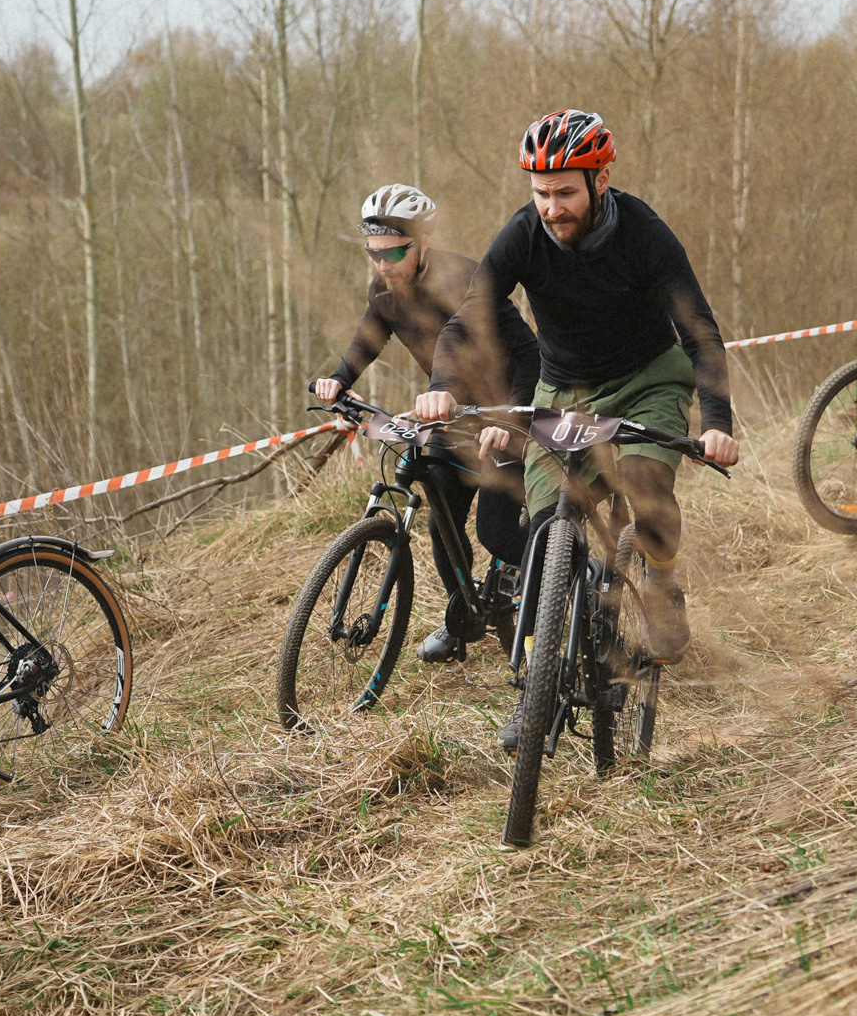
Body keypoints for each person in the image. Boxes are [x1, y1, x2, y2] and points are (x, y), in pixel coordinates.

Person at [414, 110, 739, 749]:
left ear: (601, 179)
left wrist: (718, 424)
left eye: (566, 191)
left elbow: (699, 331)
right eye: (541, 192)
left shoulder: (645, 235)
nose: (553, 207)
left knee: (646, 485)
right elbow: (466, 322)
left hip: (647, 378)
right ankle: (536, 687)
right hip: (562, 391)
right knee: (543, 531)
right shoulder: (521, 237)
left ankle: (664, 581)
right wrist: (440, 389)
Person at [310, 184, 540, 663]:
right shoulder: (384, 290)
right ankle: (462, 617)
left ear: (423, 242)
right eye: (373, 253)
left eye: (393, 251)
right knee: (441, 520)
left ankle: (564, 588)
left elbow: (529, 352)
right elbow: (367, 339)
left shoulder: (467, 280)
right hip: (449, 419)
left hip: (503, 415)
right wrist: (338, 379)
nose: (382, 264)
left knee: (497, 532)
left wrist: (514, 420)